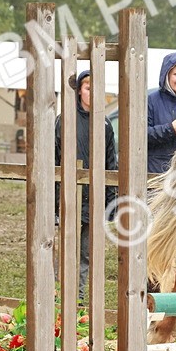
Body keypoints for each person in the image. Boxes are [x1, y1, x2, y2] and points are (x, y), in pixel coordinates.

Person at [55, 71, 118, 299]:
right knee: (65, 250)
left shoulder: (106, 124)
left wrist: (111, 202)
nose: (93, 93)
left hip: (94, 199)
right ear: (80, 91)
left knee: (87, 253)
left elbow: (111, 163)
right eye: (88, 88)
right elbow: (55, 158)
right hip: (69, 197)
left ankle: (79, 299)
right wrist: (55, 202)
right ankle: (60, 297)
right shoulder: (64, 120)